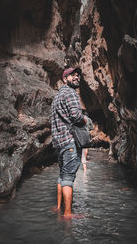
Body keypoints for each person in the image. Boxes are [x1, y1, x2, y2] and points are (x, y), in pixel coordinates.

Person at [51, 67, 86, 218]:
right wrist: (84, 119)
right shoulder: (71, 93)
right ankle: (68, 213)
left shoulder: (57, 96)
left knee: (62, 175)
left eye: (78, 75)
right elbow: (76, 116)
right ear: (65, 79)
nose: (77, 77)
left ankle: (59, 207)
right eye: (73, 75)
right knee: (68, 177)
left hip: (59, 143)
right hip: (70, 141)